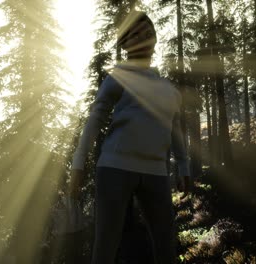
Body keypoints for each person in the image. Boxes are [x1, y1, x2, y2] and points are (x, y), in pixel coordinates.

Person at [69, 11, 191, 264]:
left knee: (166, 244)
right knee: (106, 244)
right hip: (115, 167)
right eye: (135, 35)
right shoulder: (118, 78)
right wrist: (78, 164)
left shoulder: (168, 89)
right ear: (124, 44)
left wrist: (183, 165)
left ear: (156, 39)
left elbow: (174, 127)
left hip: (156, 171)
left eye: (148, 33)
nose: (144, 39)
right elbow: (95, 118)